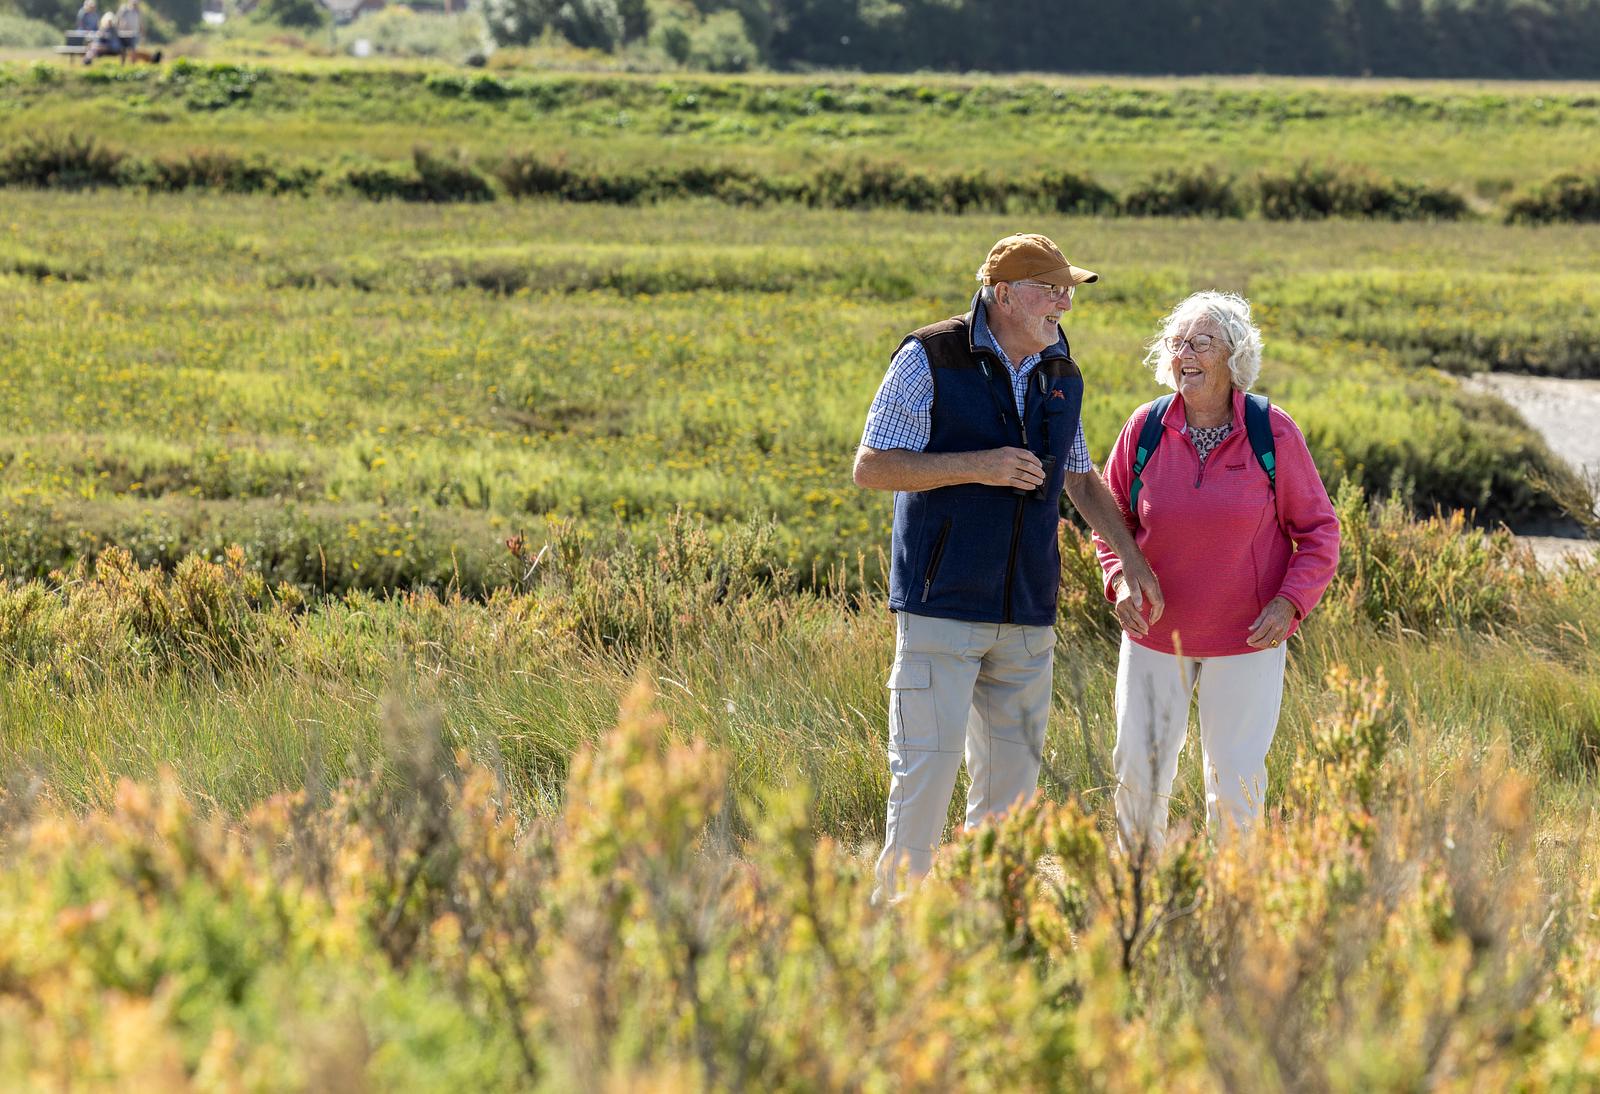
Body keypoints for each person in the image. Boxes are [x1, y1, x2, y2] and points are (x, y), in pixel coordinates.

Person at [854, 233, 1164, 898]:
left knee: (1010, 804)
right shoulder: (928, 357)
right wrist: (980, 466)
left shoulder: (1061, 372)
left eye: (1067, 290)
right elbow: (873, 467)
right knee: (924, 783)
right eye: (1051, 290)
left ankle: (991, 927)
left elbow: (1079, 477)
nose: (1065, 303)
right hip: (940, 608)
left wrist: (1131, 559)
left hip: (1027, 616)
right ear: (1003, 294)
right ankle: (891, 927)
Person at [1094, 291, 1339, 855]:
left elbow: (1319, 532)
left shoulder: (1272, 433)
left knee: (1235, 780)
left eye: (1201, 343)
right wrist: (1121, 579)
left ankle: (1232, 893)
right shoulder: (1144, 427)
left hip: (1247, 638)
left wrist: (1290, 602)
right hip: (1153, 634)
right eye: (1177, 343)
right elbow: (1110, 519)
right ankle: (1139, 887)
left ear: (1236, 356)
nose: (1185, 354)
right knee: (1139, 770)